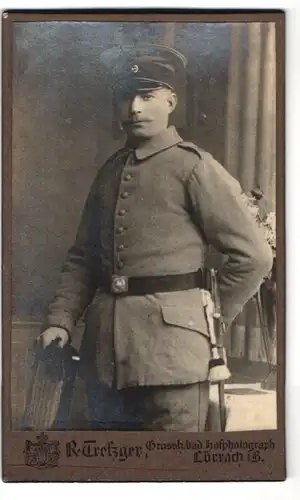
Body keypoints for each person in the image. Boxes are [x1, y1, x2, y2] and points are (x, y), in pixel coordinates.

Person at [39, 44, 273, 431]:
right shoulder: (110, 172)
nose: (134, 108)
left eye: (147, 96)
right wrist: (61, 321)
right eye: (125, 96)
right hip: (104, 360)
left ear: (171, 102)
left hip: (174, 361)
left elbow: (254, 257)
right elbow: (83, 258)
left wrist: (206, 320)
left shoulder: (195, 167)